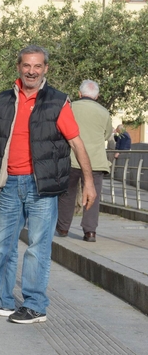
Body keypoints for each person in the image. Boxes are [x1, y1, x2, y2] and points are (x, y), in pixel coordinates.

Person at [0, 45, 96, 324]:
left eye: (38, 66)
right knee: (1, 244)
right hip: (10, 183)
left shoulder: (58, 101)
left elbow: (76, 143)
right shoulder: (6, 99)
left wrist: (88, 182)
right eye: (27, 65)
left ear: (45, 69)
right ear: (19, 67)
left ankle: (35, 306)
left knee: (37, 247)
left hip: (41, 186)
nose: (32, 71)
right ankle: (2, 300)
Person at [56, 80, 112, 243]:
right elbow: (107, 134)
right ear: (97, 96)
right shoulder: (104, 112)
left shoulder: (69, 108)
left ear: (80, 94)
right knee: (92, 196)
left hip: (71, 159)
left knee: (67, 195)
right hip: (95, 161)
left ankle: (63, 227)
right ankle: (90, 232)